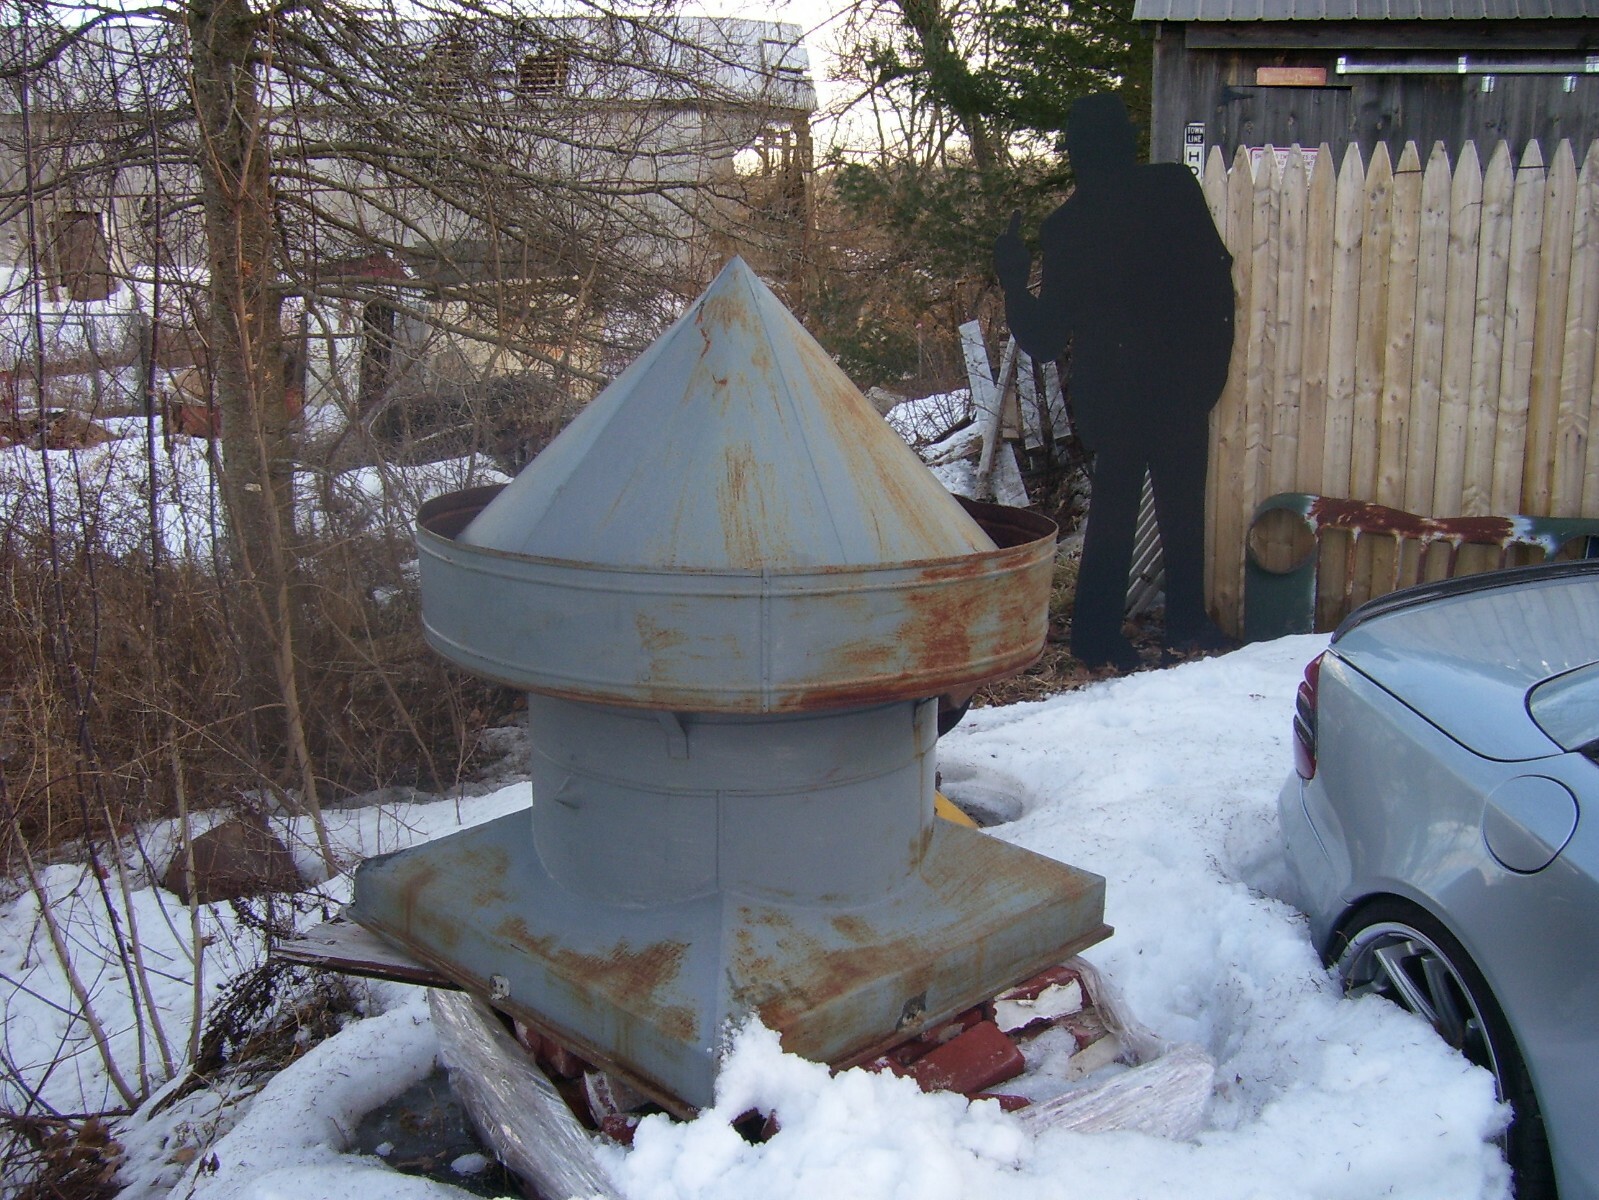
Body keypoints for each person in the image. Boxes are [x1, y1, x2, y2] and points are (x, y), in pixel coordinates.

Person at [995, 93, 1235, 670]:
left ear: (1079, 151)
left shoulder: (1070, 225)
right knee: (1179, 508)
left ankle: (1103, 636)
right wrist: (1208, 373)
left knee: (1116, 512)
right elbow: (1217, 285)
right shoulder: (1172, 190)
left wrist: (1011, 282)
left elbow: (1047, 338)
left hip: (1125, 393)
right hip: (1175, 384)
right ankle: (1181, 625)